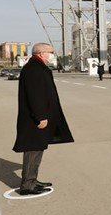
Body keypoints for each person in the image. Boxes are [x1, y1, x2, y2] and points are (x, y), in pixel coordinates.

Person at [13, 43, 74, 195]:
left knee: (38, 148)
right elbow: (35, 95)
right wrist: (41, 116)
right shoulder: (34, 69)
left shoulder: (37, 67)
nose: (52, 55)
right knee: (33, 149)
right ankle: (27, 184)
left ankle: (32, 179)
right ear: (41, 53)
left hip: (38, 117)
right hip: (35, 119)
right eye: (50, 52)